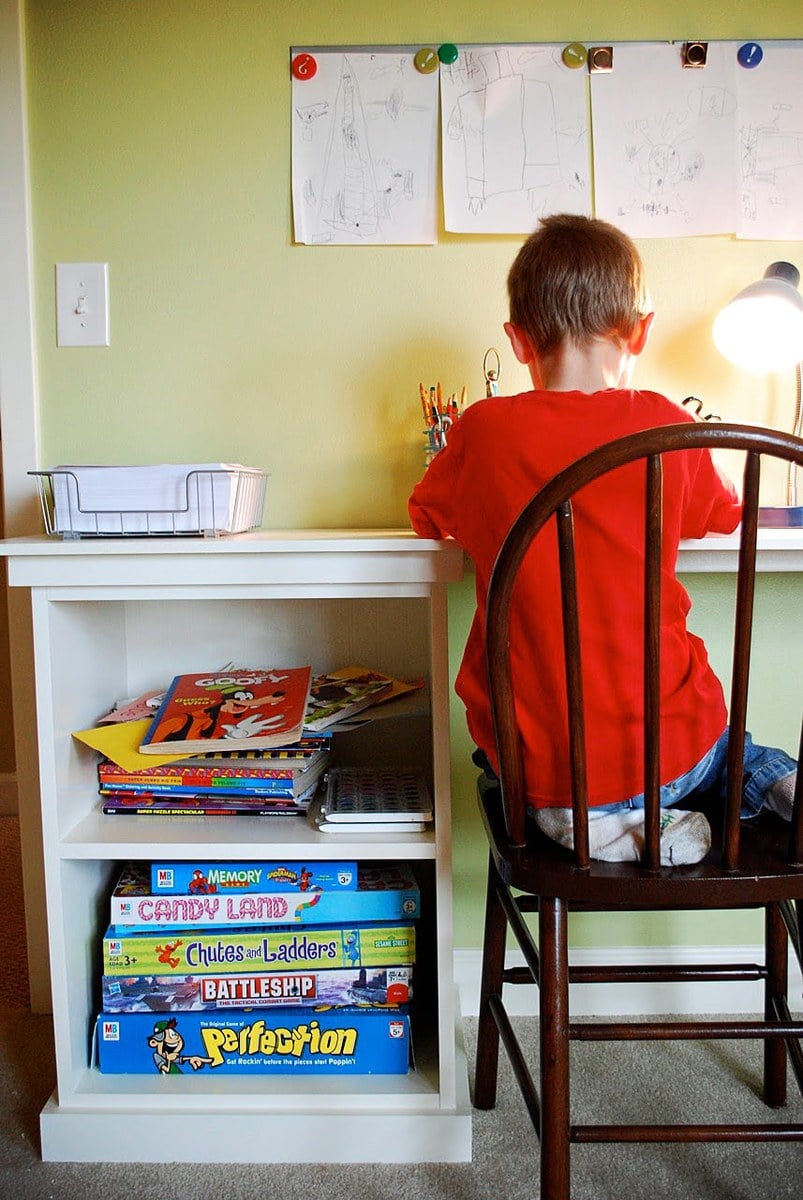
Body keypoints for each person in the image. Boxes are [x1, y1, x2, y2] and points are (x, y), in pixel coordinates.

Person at [408, 214, 797, 865]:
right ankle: (761, 782)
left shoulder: (481, 432)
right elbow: (724, 514)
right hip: (676, 757)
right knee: (735, 749)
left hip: (550, 770)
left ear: (517, 340)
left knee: (510, 750)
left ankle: (589, 821)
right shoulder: (670, 429)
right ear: (640, 332)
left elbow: (428, 515)